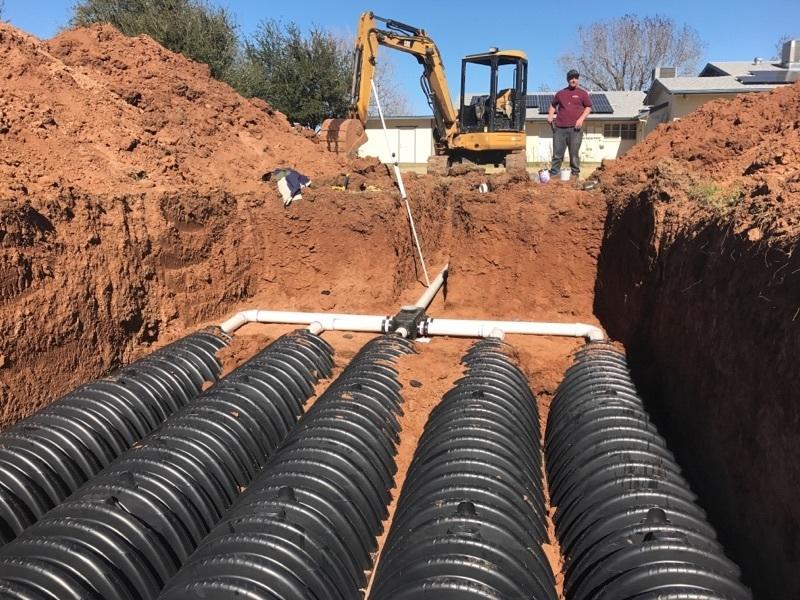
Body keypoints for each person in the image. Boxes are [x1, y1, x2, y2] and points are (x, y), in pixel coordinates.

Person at [548, 69, 592, 180]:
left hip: (575, 129)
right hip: (559, 129)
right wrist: (550, 115)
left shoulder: (582, 93)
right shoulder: (560, 93)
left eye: (576, 78)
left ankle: (574, 175)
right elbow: (553, 105)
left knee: (574, 154)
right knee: (557, 154)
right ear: (568, 79)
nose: (574, 80)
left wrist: (581, 119)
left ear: (578, 79)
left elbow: (588, 107)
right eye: (571, 78)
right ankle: (554, 174)